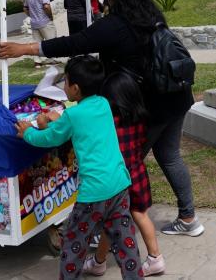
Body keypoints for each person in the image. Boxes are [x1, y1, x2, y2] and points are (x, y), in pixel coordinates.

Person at [0, 0, 202, 237]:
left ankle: (112, 227)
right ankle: (188, 218)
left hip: (148, 105)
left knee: (123, 163)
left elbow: (74, 43)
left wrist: (25, 49)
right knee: (170, 156)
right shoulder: (152, 17)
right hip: (176, 96)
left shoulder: (115, 24)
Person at [17, 55, 140, 279]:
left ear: (74, 88)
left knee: (73, 242)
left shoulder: (73, 115)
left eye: (65, 82)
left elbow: (49, 139)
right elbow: (84, 125)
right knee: (125, 242)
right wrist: (56, 122)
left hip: (94, 193)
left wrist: (28, 132)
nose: (63, 86)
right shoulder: (103, 103)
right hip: (119, 184)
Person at [84, 73, 165, 277]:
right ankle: (154, 257)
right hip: (137, 173)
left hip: (117, 178)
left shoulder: (110, 122)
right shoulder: (139, 117)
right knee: (139, 214)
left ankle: (99, 262)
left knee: (109, 221)